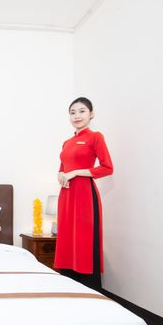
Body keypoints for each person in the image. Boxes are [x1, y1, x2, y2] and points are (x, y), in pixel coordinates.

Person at [54, 97, 113, 290]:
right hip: (66, 195)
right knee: (67, 237)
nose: (77, 116)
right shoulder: (67, 142)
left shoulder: (95, 137)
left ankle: (90, 288)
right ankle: (67, 285)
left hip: (85, 195)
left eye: (82, 111)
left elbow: (107, 168)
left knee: (84, 239)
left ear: (91, 114)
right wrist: (60, 174)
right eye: (72, 112)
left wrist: (76, 172)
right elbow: (62, 167)